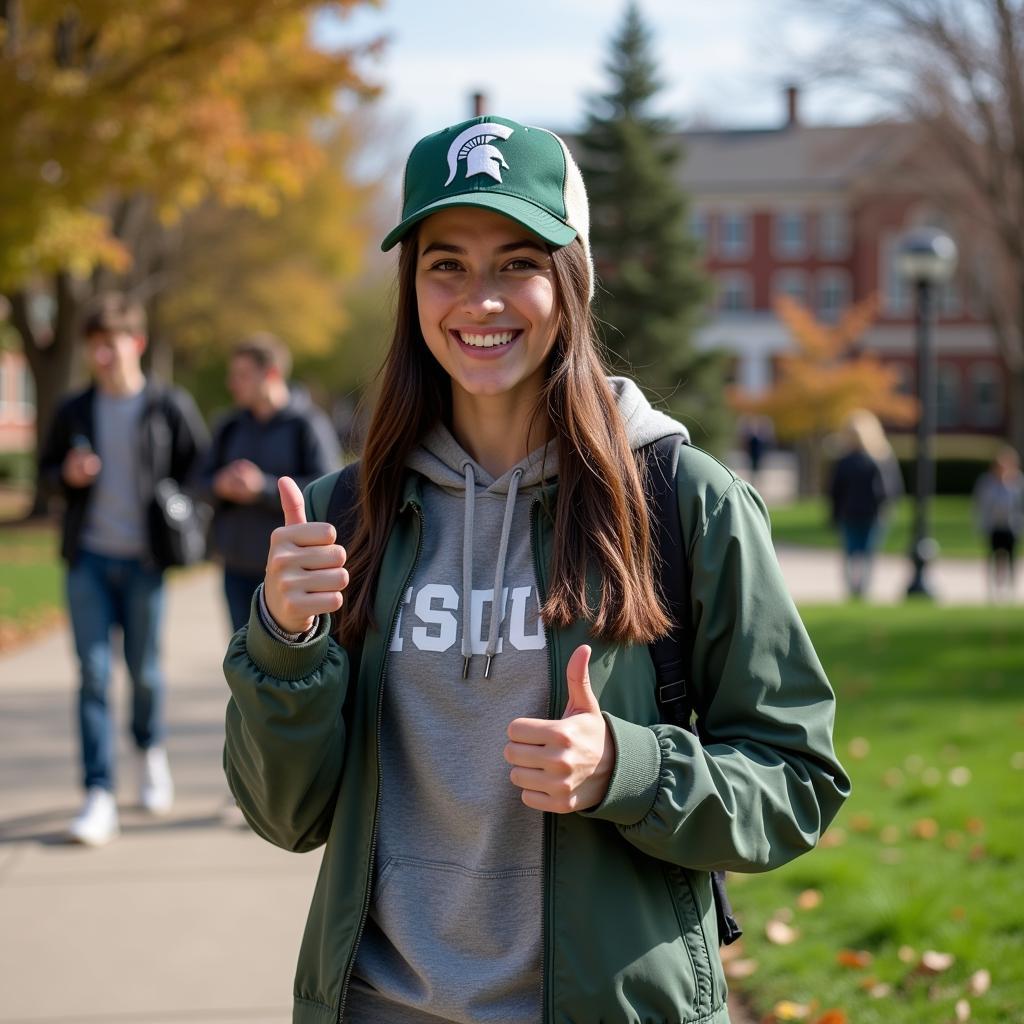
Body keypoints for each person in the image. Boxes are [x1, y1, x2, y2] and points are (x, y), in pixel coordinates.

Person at [223, 115, 849, 1024]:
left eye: (518, 262)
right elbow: (288, 817)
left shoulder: (683, 501)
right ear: (413, 289)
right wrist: (284, 641)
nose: (481, 300)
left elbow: (799, 778)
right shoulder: (339, 517)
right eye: (447, 264)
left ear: (571, 283)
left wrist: (627, 772)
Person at [38, 293, 208, 846]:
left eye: (110, 345)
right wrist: (67, 473)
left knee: (144, 671)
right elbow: (45, 473)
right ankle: (98, 792)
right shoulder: (74, 410)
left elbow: (198, 470)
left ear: (134, 343)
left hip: (145, 561)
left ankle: (149, 751)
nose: (102, 357)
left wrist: (176, 507)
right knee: (90, 674)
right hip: (87, 559)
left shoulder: (167, 405)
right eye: (94, 348)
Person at [200, 333, 341, 632]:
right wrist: (220, 484)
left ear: (272, 374)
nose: (232, 383)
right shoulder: (229, 426)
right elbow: (198, 482)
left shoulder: (307, 425)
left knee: (285, 665)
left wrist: (262, 487)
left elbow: (329, 489)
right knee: (244, 665)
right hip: (236, 567)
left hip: (291, 570)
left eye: (242, 375)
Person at [828, 409, 903, 599]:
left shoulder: (879, 458)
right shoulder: (849, 460)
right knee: (854, 553)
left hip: (869, 514)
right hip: (853, 514)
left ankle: (861, 589)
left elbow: (890, 489)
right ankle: (856, 589)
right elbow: (836, 490)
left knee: (863, 553)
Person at [973, 445, 1024, 600]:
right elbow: (981, 506)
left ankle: (1010, 589)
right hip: (994, 526)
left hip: (1010, 526)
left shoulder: (1017, 483)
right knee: (993, 557)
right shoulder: (987, 483)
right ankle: (993, 589)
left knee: (1011, 557)